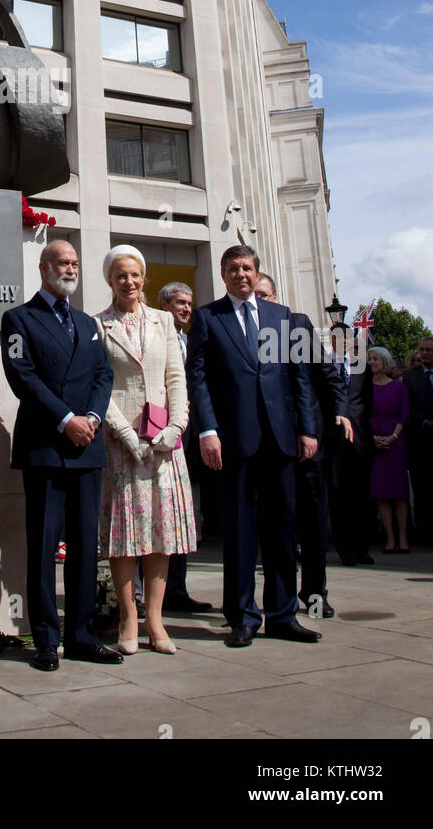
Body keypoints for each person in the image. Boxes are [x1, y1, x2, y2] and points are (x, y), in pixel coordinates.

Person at [187, 245, 320, 647]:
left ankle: (282, 614)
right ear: (223, 275)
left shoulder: (284, 318)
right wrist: (207, 430)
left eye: (246, 268)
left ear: (256, 272)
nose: (240, 274)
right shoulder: (208, 318)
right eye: (232, 269)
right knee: (240, 531)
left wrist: (307, 429)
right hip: (234, 441)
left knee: (282, 530)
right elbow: (199, 378)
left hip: (280, 440)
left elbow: (299, 378)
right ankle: (242, 616)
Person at [1, 241, 121, 671]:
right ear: (43, 267)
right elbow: (23, 378)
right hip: (46, 448)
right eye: (62, 263)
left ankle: (82, 637)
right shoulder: (17, 319)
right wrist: (65, 418)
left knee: (87, 547)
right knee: (44, 547)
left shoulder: (88, 323)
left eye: (74, 263)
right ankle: (47, 641)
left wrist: (90, 416)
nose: (70, 269)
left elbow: (104, 374)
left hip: (87, 448)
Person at [96, 247, 196, 655]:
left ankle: (155, 619)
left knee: (159, 534)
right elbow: (100, 385)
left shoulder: (164, 321)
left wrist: (176, 427)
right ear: (110, 280)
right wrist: (124, 433)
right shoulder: (98, 325)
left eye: (136, 274)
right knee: (125, 537)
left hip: (164, 446)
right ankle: (128, 618)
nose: (130, 282)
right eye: (121, 275)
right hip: (123, 446)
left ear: (144, 278)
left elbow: (176, 377)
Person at [254, 275, 351, 618]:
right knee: (275, 524)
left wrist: (341, 413)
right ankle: (276, 600)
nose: (259, 301)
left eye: (264, 295)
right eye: (255, 296)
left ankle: (314, 595)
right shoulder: (240, 327)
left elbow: (327, 375)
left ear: (277, 298)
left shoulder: (296, 325)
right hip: (266, 446)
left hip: (307, 441)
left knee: (312, 522)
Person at [157, 281, 213, 614]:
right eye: (180, 302)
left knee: (181, 513)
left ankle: (176, 588)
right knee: (157, 513)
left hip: (189, 440)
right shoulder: (154, 335)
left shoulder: (191, 340)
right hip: (161, 435)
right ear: (164, 305)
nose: (186, 308)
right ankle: (146, 591)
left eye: (189, 303)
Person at [327, 326, 375, 566]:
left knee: (361, 496)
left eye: (347, 337)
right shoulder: (323, 365)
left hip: (359, 440)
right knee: (338, 496)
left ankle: (362, 548)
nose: (343, 341)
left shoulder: (362, 367)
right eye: (337, 337)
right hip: (333, 441)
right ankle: (345, 549)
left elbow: (367, 403)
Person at [368, 346, 410, 552]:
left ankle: (403, 537)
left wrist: (393, 436)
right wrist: (373, 437)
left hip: (395, 442)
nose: (372, 362)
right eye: (370, 359)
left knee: (399, 493)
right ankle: (390, 537)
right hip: (374, 443)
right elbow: (362, 415)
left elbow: (404, 414)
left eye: (376, 358)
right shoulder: (365, 388)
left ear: (385, 361)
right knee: (381, 493)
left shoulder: (398, 387)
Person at [403, 337, 433, 543]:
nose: (424, 353)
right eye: (422, 350)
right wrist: (423, 422)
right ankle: (425, 532)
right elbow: (407, 407)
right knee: (422, 488)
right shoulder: (410, 376)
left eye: (428, 350)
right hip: (420, 440)